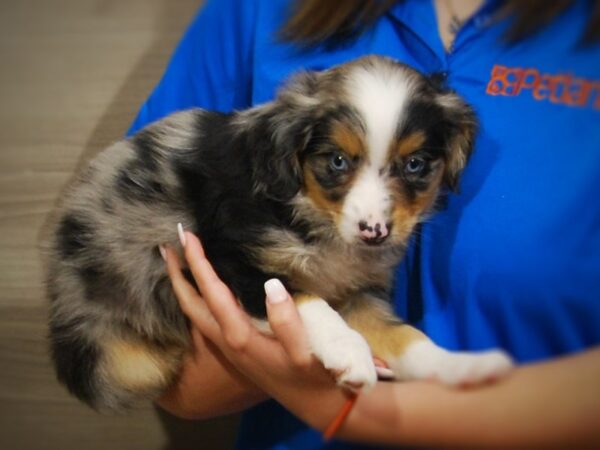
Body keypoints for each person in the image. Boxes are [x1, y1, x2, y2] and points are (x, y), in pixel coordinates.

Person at [128, 0, 600, 448]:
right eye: (334, 162)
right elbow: (163, 365)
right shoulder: (257, 10)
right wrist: (280, 327)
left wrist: (342, 409)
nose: (375, 219)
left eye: (416, 167)